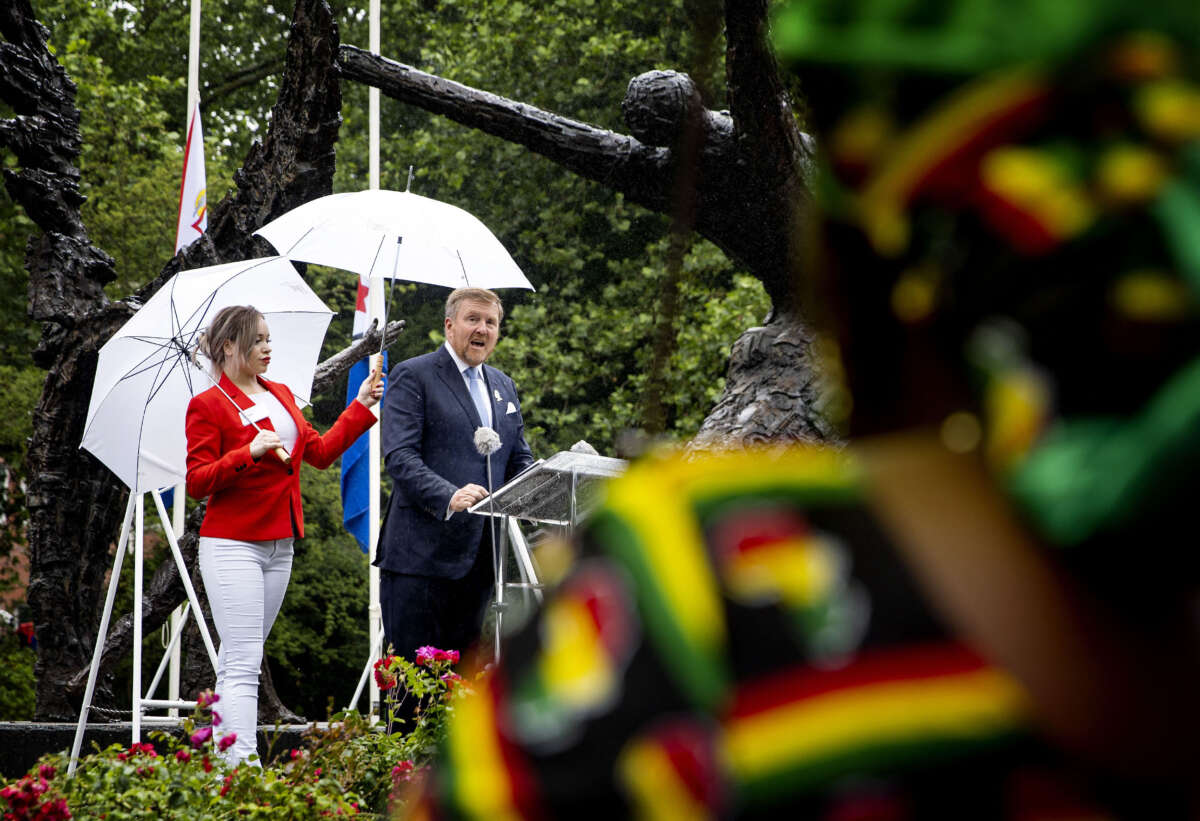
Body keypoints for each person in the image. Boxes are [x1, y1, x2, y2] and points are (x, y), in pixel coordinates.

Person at [185, 304, 382, 765]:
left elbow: (318, 453)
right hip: (233, 544)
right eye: (258, 340)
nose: (268, 348)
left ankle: (225, 768)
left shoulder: (280, 393)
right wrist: (248, 452)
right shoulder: (208, 405)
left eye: (269, 338)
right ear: (229, 346)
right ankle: (242, 769)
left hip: (280, 544)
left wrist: (361, 407)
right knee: (242, 664)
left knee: (244, 661)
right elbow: (196, 481)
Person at [376, 287, 535, 663]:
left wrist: (545, 490)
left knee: (464, 693)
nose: (482, 328)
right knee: (412, 688)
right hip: (420, 560)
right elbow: (399, 456)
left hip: (480, 561)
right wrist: (449, 495)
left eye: (491, 322)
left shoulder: (503, 385)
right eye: (473, 319)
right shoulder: (413, 375)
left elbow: (518, 459)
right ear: (450, 325)